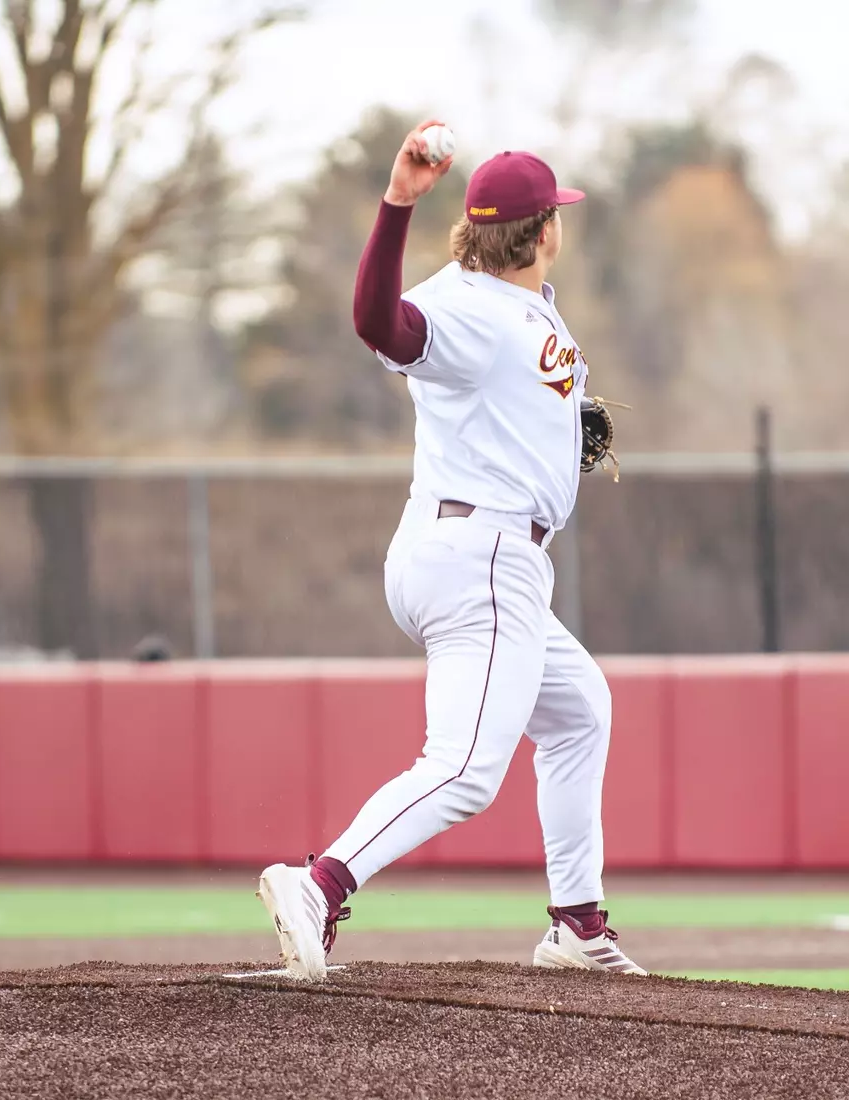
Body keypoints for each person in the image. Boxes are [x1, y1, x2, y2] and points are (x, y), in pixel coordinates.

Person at [256, 120, 644, 981]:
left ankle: (576, 925)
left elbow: (517, 384)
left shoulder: (521, 300)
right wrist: (396, 203)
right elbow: (377, 324)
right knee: (466, 769)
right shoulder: (466, 304)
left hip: (477, 550)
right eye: (556, 218)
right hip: (482, 554)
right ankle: (320, 882)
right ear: (544, 230)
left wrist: (560, 418)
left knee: (579, 710)